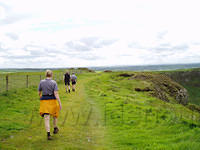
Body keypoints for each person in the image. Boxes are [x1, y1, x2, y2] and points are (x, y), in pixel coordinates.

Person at [38, 70, 62, 140]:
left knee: (46, 118)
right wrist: (60, 103)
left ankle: (48, 134)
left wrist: (41, 98)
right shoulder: (54, 82)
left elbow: (39, 92)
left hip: (44, 102)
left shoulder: (41, 82)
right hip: (53, 101)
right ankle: (55, 128)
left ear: (46, 75)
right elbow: (56, 94)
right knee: (55, 116)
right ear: (51, 75)